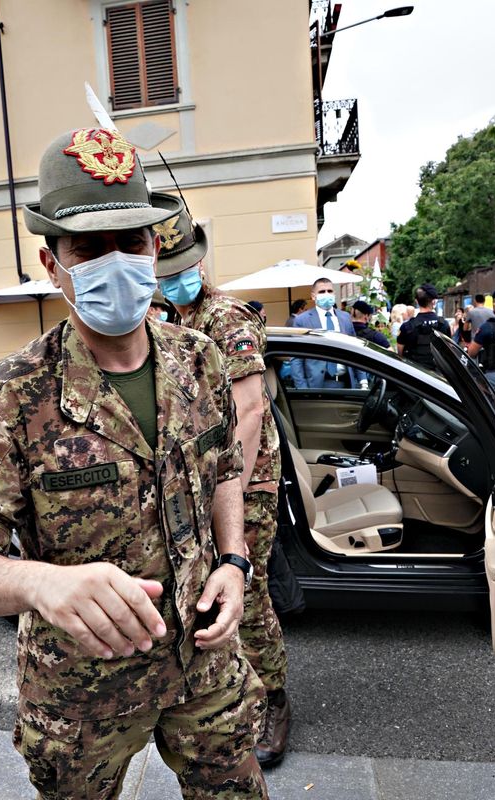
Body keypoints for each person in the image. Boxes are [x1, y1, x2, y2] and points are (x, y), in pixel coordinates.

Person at [0, 128, 267, 799]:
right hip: (85, 690)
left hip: (205, 663)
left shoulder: (199, 359)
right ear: (53, 264)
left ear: (154, 247)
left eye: (131, 242)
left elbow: (225, 469)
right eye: (89, 248)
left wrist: (233, 561)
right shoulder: (12, 393)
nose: (116, 260)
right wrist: (41, 584)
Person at [156, 210, 290, 767]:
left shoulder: (225, 316)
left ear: (200, 262)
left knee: (246, 586)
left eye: (183, 266)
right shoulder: (174, 317)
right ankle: (231, 690)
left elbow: (251, 408)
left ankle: (275, 699)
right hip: (201, 477)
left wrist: (224, 483)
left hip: (244, 476)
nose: (176, 277)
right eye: (166, 270)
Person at [290, 277, 355, 388]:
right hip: (317, 385)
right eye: (322, 291)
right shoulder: (302, 320)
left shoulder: (345, 317)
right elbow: (296, 358)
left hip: (346, 383)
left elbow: (355, 350)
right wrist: (303, 389)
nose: (326, 294)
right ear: (313, 296)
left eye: (329, 291)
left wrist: (362, 380)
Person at [396, 284, 446, 370]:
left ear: (416, 301)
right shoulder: (444, 325)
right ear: (434, 302)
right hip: (438, 377)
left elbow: (400, 353)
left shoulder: (407, 326)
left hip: (414, 375)